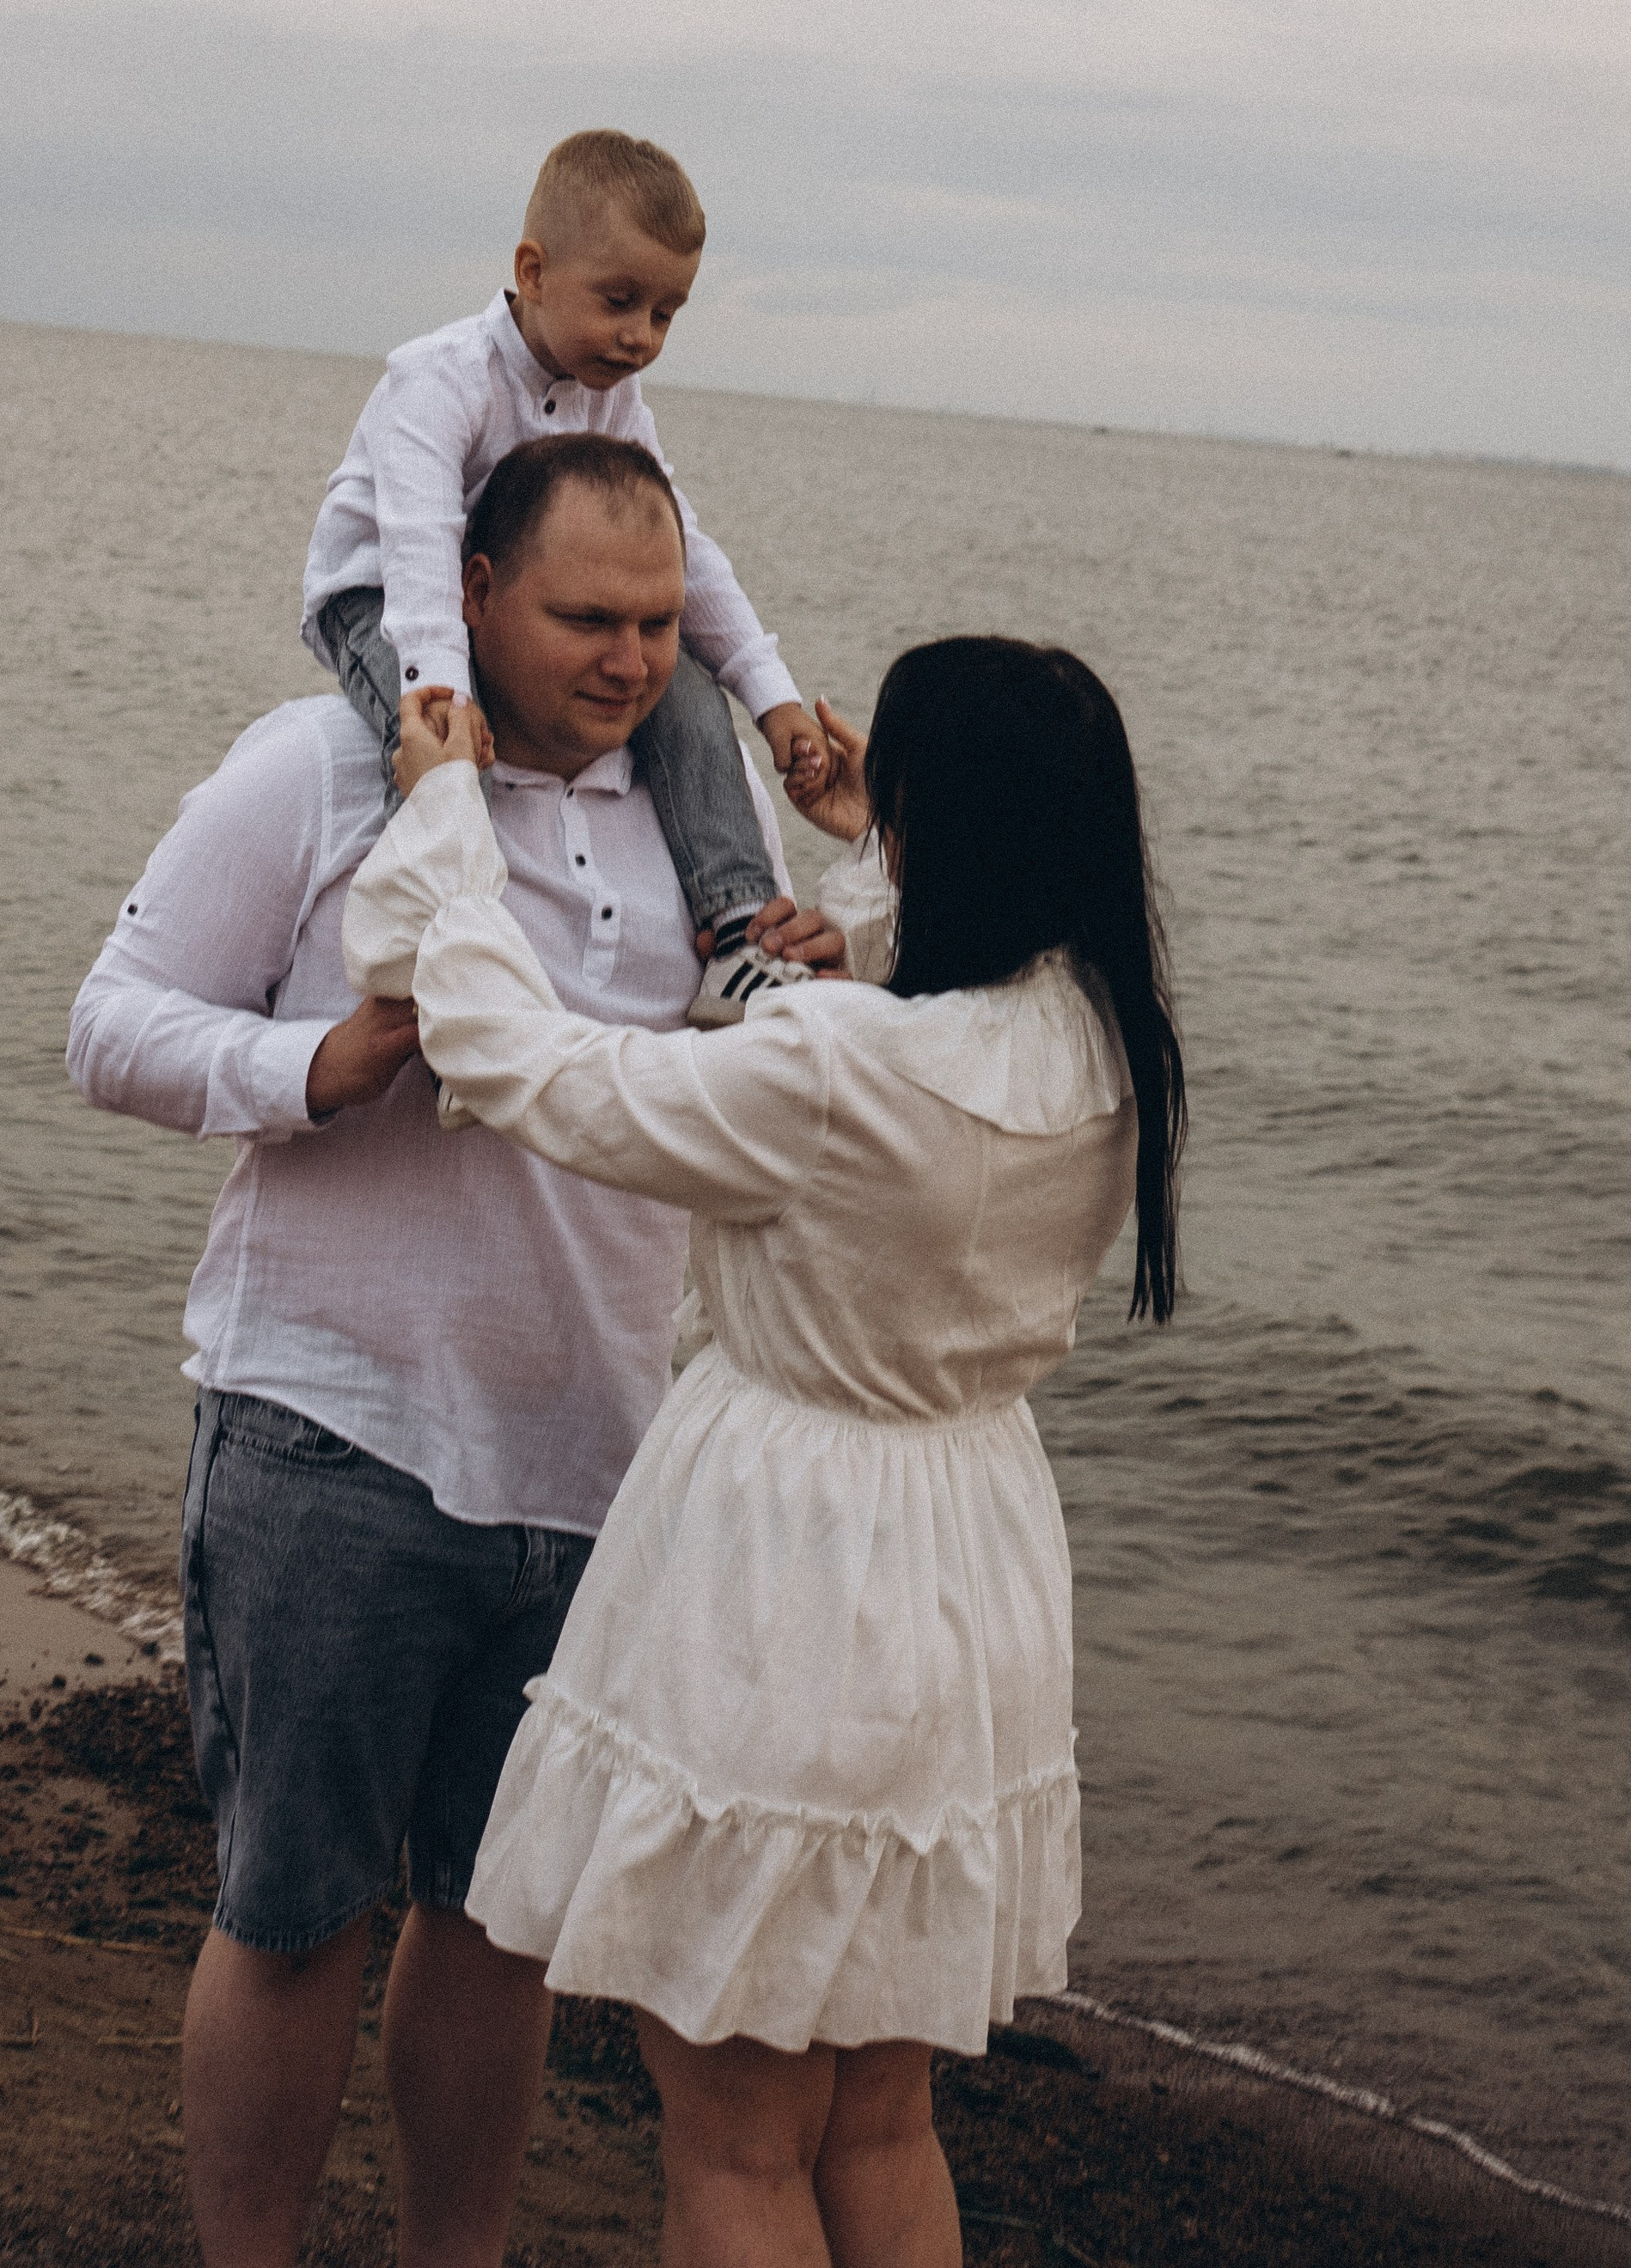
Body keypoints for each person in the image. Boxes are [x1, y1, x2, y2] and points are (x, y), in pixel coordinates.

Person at [66, 435, 846, 2268]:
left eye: (660, 623)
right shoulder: (319, 767)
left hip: (598, 1462)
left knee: (499, 1927)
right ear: (469, 594)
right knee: (290, 1917)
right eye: (585, 615)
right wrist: (316, 1067)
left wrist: (793, 985)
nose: (632, 659)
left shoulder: (698, 825)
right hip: (331, 1432)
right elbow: (108, 1025)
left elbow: (723, 1120)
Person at [343, 637, 1186, 2268]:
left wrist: (450, 833)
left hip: (791, 1565)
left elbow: (540, 1072)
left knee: (734, 2141)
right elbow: (944, 968)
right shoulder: (1103, 1039)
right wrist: (884, 841)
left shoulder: (835, 1068)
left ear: (956, 826)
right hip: (972, 1561)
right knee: (879, 2118)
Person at [302, 125, 833, 1021]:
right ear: (534, 271)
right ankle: (435, 969)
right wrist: (440, 684)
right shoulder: (439, 379)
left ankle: (740, 936)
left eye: (664, 314)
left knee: (687, 693)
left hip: (497, 607)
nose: (637, 338)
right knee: (439, 763)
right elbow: (418, 534)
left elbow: (682, 551)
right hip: (383, 597)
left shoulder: (614, 402)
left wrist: (770, 694)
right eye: (619, 301)